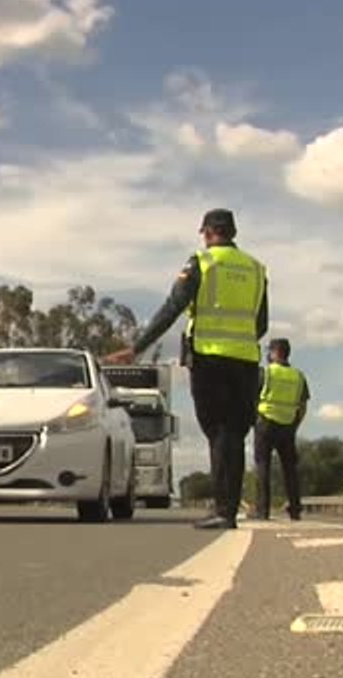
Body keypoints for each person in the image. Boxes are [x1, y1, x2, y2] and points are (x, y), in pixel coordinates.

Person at [104, 209, 268, 529]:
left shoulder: (201, 263)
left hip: (209, 359)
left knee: (217, 432)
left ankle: (223, 511)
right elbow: (261, 324)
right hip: (246, 360)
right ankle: (229, 508)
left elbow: (172, 307)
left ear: (207, 233)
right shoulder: (256, 269)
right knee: (234, 434)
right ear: (232, 232)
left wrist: (137, 348)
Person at [252, 338, 310, 521]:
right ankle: (295, 509)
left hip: (265, 423)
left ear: (273, 352)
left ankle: (263, 510)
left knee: (263, 466)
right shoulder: (298, 376)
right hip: (288, 425)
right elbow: (303, 405)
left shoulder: (266, 373)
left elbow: (252, 398)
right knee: (290, 469)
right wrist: (295, 424)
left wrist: (254, 420)